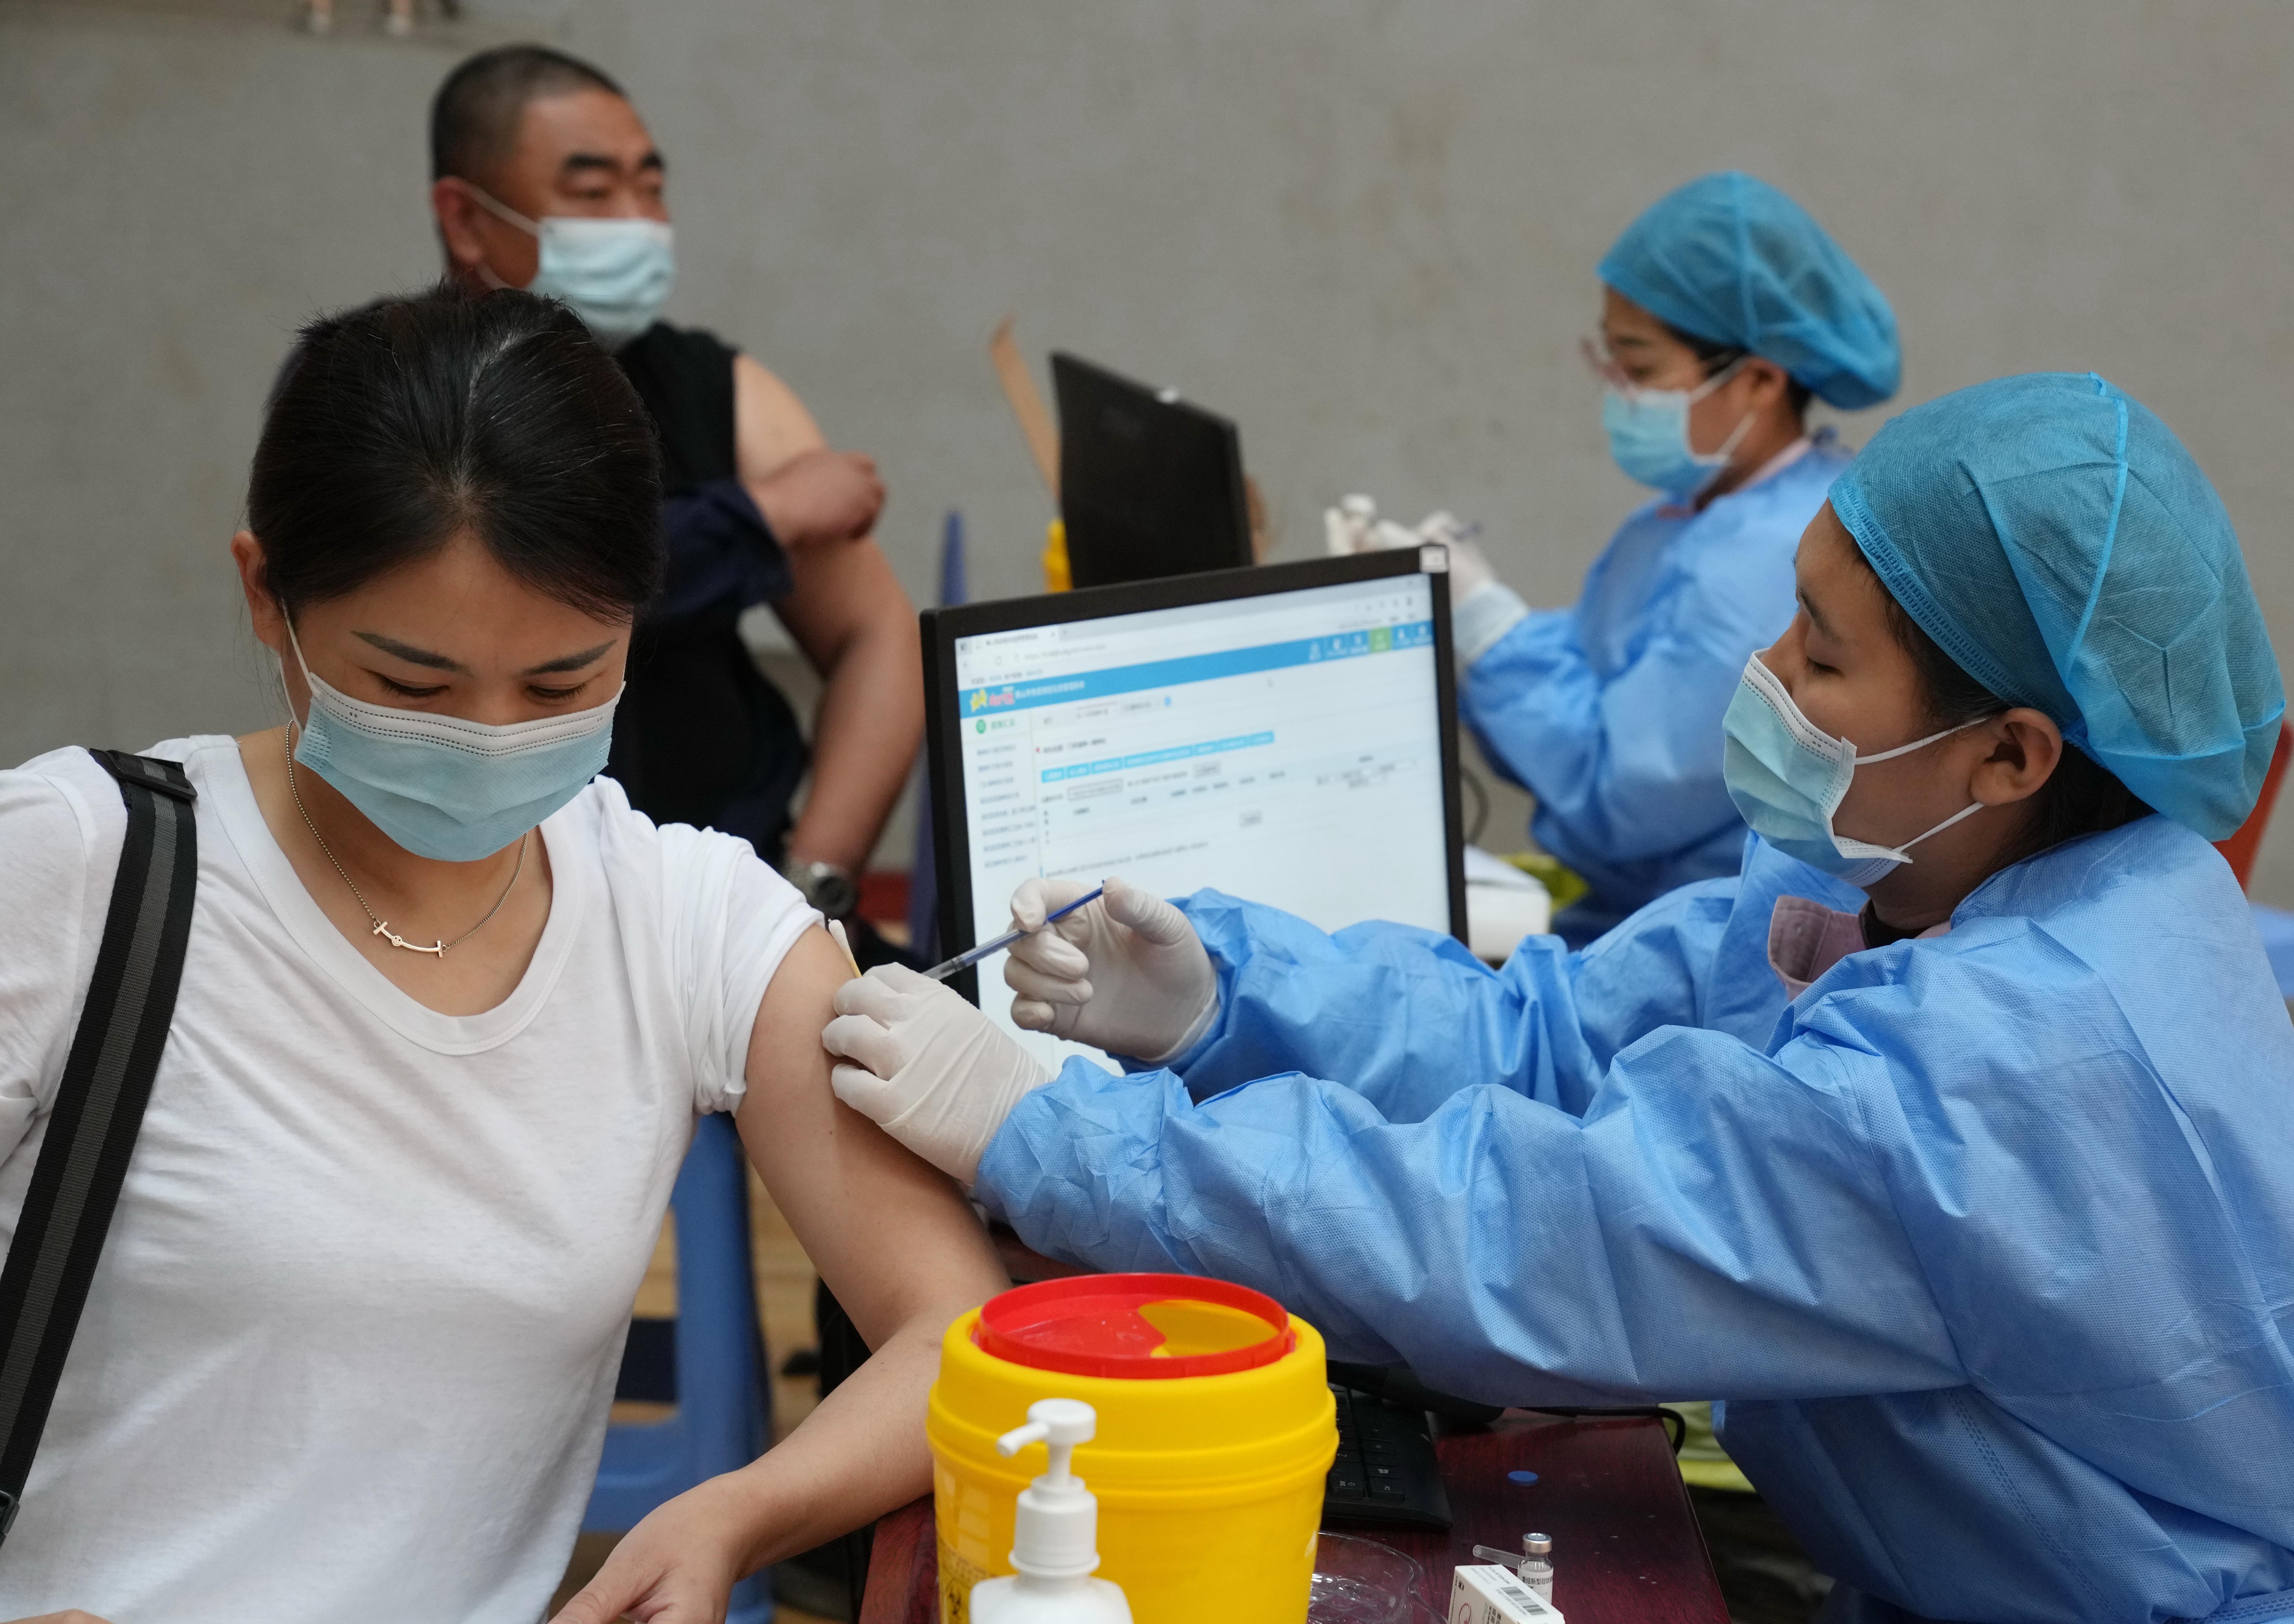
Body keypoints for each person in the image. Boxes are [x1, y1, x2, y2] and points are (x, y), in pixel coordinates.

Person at [824, 373, 2294, 1624]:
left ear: (2012, 754)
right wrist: (1225, 1000)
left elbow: (1520, 1236)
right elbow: (1544, 1036)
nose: (1767, 673)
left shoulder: (2004, 1068)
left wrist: (1056, 1133)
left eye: (1823, 655)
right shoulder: (1920, 879)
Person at [0, 289, 1005, 1624]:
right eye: (412, 688)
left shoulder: (683, 915)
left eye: (560, 684)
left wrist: (734, 1513)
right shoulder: (81, 869)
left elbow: (961, 1337)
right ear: (265, 596)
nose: (486, 736)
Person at [427, 45, 919, 936]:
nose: (637, 222)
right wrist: (761, 516)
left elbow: (879, 635)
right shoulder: (389, 394)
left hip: (728, 899)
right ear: (466, 220)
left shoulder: (712, 386)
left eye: (650, 189)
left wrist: (807, 895)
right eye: (592, 192)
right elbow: (497, 594)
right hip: (482, 910)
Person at [1345, 172, 1899, 945]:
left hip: (1705, 941)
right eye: (1608, 360)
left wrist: (1488, 629)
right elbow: (1597, 674)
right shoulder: (1679, 519)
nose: (1616, 391)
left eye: (1638, 370)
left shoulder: (1774, 554)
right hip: (1634, 920)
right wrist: (1459, 633)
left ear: (1758, 381)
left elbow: (1619, 796)